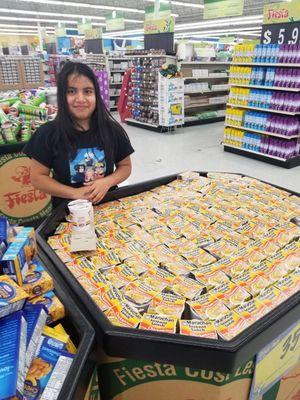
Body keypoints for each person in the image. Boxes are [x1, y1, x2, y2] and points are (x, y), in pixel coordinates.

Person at [24, 61, 134, 206]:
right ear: (62, 96)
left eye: (88, 91)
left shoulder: (112, 130)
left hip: (108, 209)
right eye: (71, 91)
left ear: (96, 95)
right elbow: (38, 177)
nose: (80, 99)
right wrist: (74, 193)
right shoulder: (47, 133)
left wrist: (107, 182)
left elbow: (125, 167)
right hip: (68, 213)